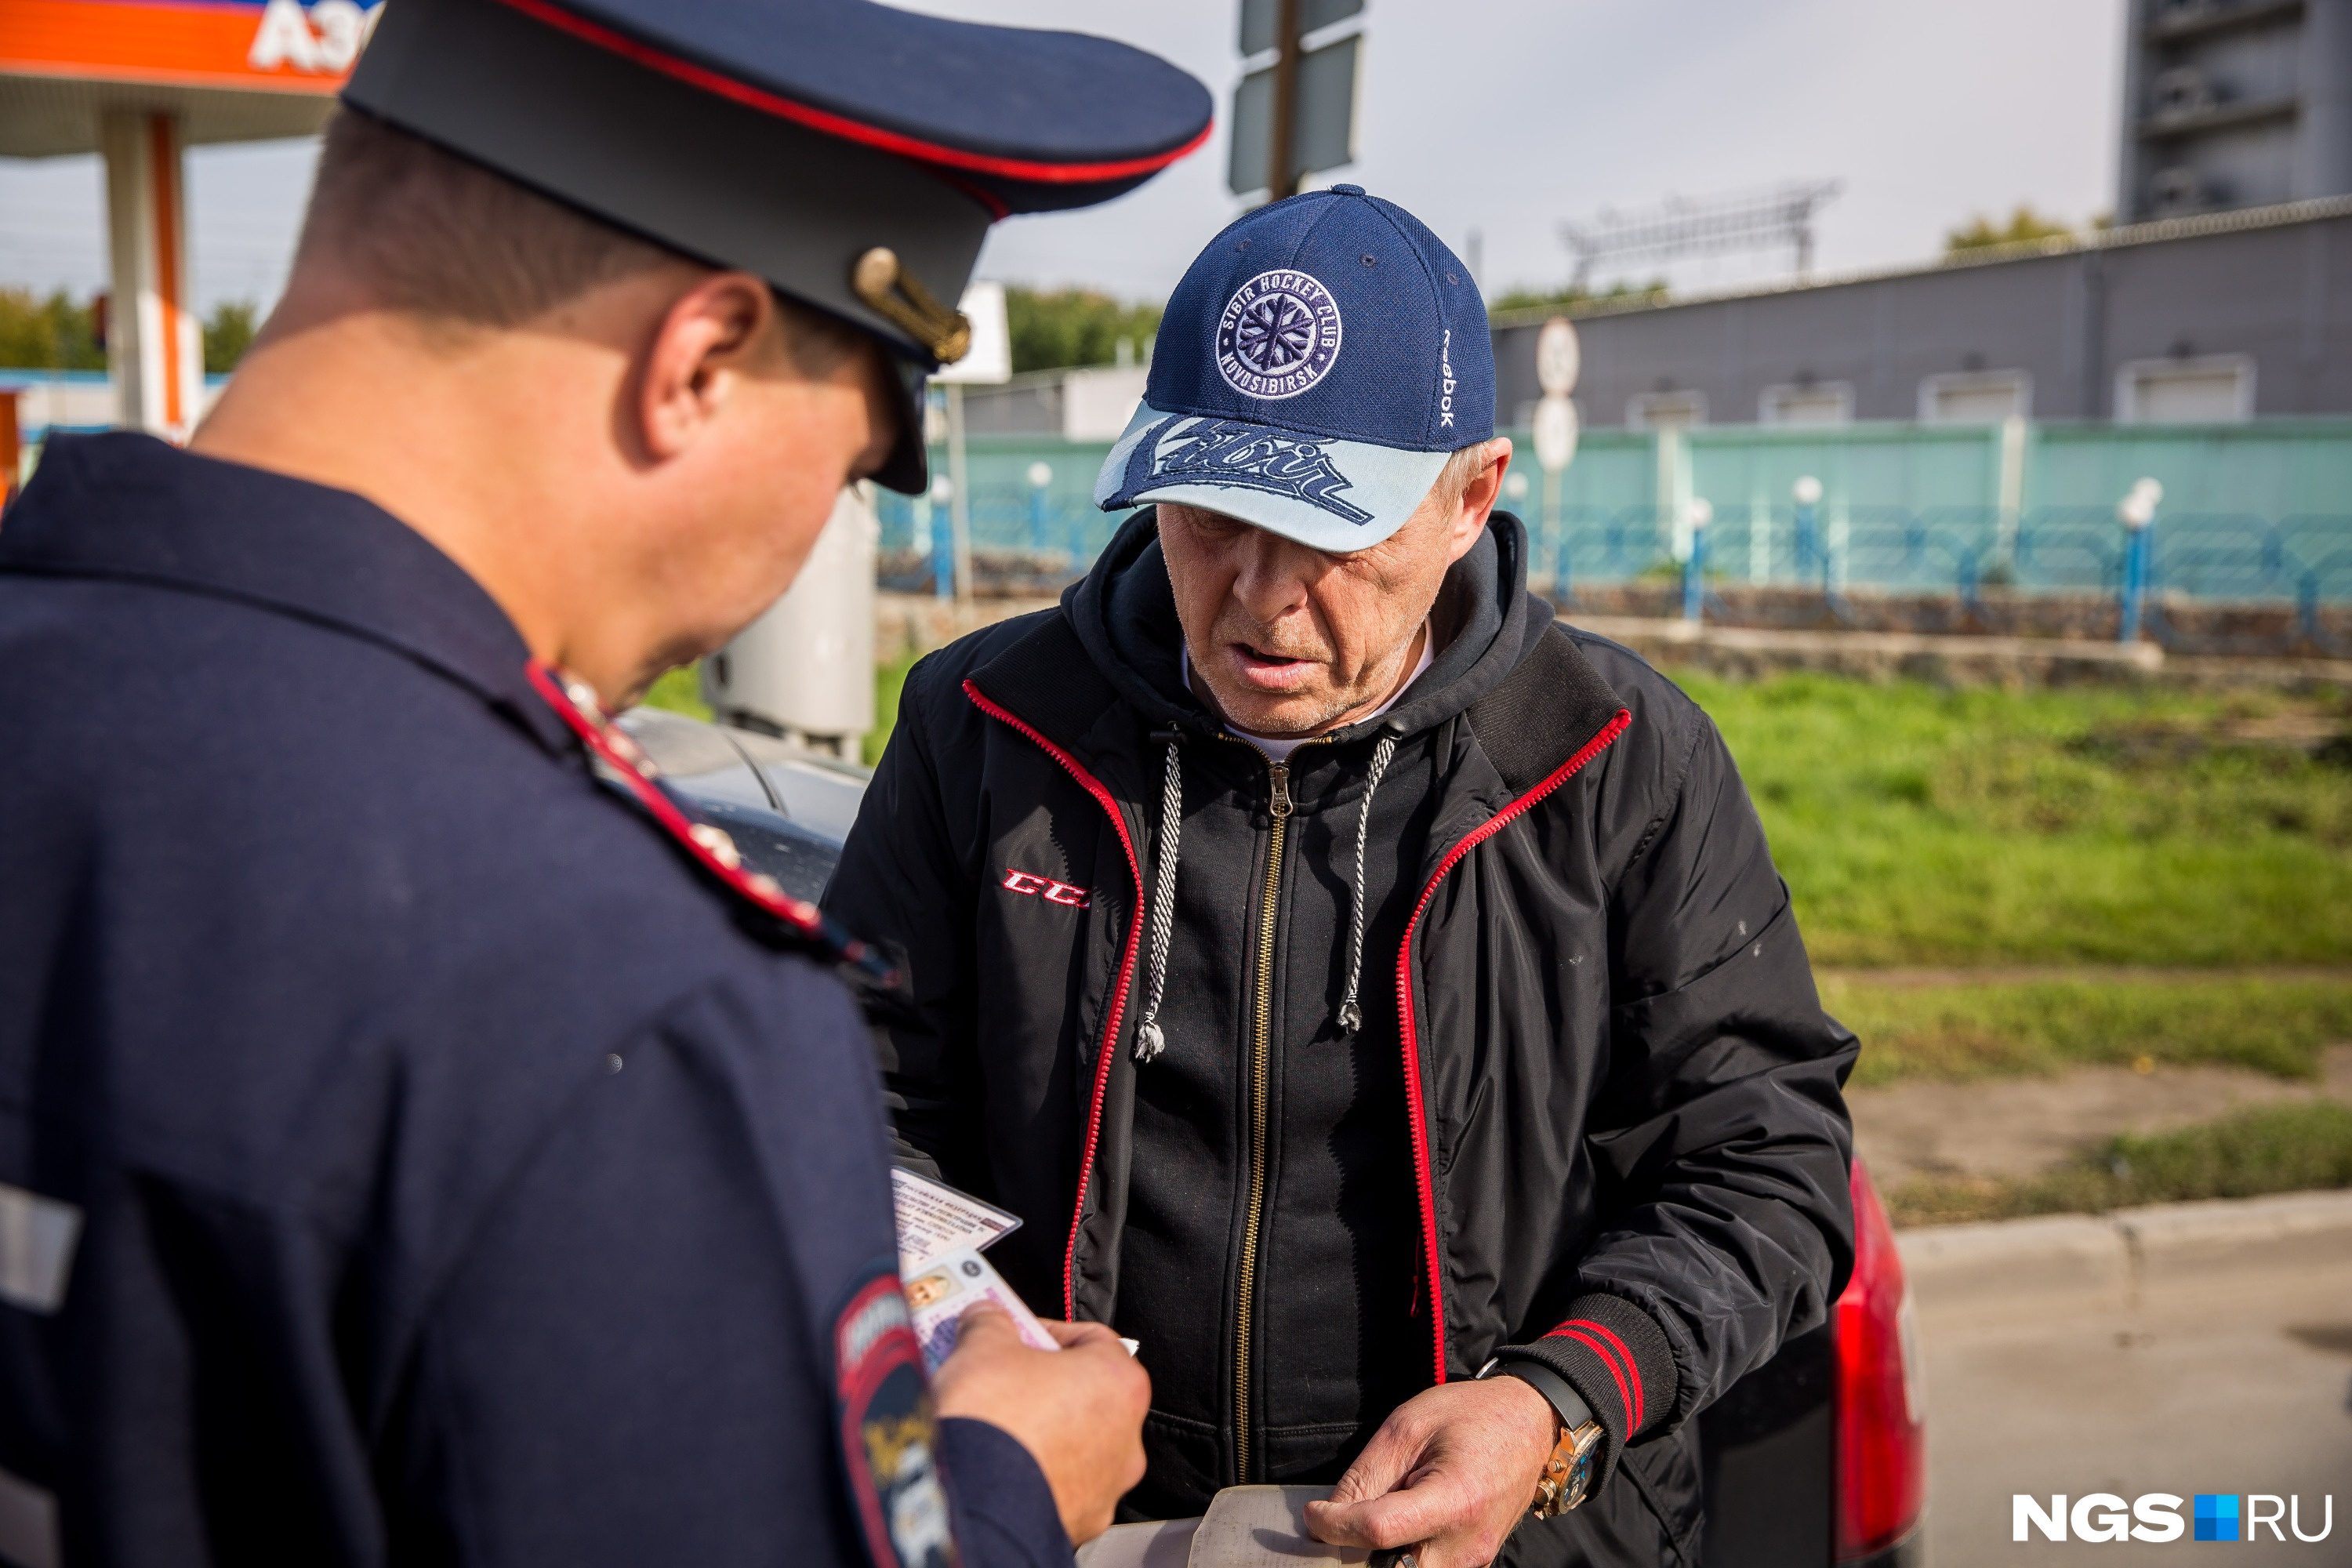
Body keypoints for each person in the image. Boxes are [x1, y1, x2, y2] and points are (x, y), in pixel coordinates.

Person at [0, 2, 1213, 1566]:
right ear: (698, 359)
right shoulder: (615, 999)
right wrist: (989, 1490)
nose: (781, 570)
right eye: (849, 470)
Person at [825, 188, 1859, 1568]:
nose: (1258, 594)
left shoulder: (1615, 759)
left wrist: (1559, 1403)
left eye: (1330, 537)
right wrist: (969, 1350)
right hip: (1070, 1532)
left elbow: (1769, 1160)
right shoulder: (987, 724)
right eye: (1208, 519)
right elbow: (848, 1100)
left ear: (1469, 496)